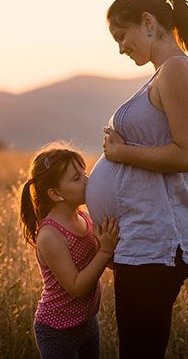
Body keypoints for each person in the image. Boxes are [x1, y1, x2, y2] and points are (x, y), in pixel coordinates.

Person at [85, 0, 188, 358]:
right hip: (142, 240)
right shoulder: (163, 74)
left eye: (122, 35)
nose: (121, 47)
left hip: (158, 244)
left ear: (148, 23)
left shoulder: (178, 70)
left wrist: (122, 152)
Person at [20, 142, 119, 359]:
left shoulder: (83, 216)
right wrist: (105, 251)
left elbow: (105, 259)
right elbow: (76, 287)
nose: (87, 180)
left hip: (87, 321)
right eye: (76, 178)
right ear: (55, 194)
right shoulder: (50, 235)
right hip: (57, 330)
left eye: (84, 173)